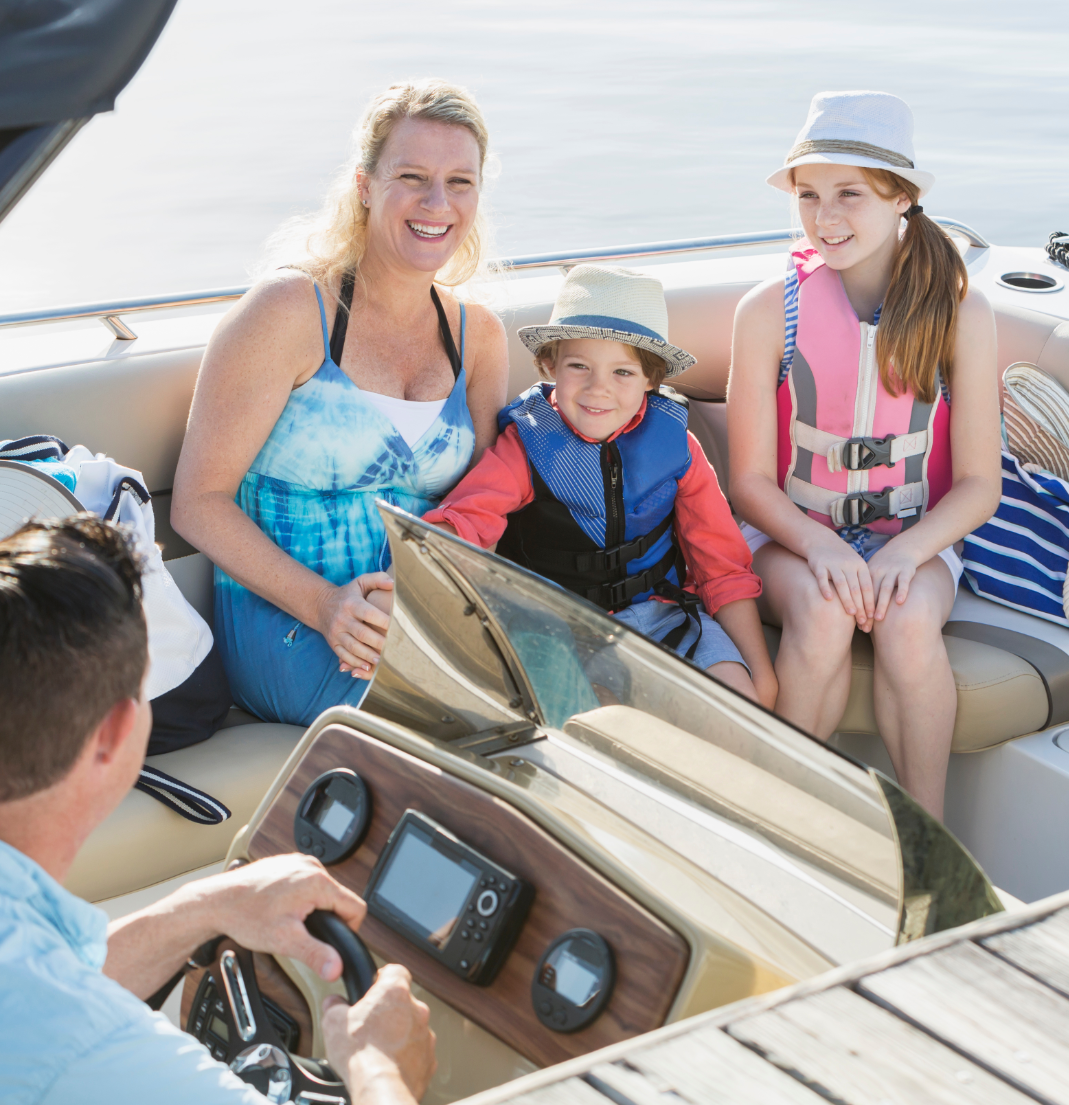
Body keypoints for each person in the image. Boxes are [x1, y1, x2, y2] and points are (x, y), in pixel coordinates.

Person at [0, 516, 436, 1105]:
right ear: (121, 732)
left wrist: (202, 909)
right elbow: (44, 1020)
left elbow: (18, 991)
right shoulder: (87, 1054)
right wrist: (380, 1072)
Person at [173, 80, 510, 726]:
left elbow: (482, 511)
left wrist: (439, 614)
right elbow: (197, 503)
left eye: (459, 182)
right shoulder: (290, 312)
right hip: (294, 625)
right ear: (364, 185)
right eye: (411, 176)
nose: (437, 203)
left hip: (424, 623)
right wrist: (330, 608)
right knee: (480, 732)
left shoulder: (479, 337)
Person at [726, 91, 1000, 820]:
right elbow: (749, 482)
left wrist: (905, 554)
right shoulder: (765, 312)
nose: (826, 217)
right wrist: (821, 546)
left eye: (850, 194)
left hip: (916, 540)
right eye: (809, 196)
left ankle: (925, 837)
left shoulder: (962, 312)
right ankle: (780, 821)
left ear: (901, 197)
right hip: (787, 536)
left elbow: (978, 486)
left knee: (908, 622)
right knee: (822, 610)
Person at [424, 265, 778, 707]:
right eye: (579, 366)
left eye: (622, 373)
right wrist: (419, 566)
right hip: (557, 630)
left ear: (651, 379)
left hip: (664, 615)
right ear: (550, 364)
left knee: (741, 705)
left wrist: (760, 672)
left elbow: (722, 566)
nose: (598, 389)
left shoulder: (676, 446)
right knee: (601, 724)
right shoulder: (527, 444)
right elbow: (465, 521)